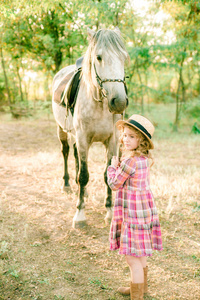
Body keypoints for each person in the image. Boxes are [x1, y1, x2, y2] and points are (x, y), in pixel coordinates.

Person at [107, 114, 163, 300]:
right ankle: (141, 288)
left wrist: (112, 167)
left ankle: (137, 295)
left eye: (132, 136)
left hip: (132, 213)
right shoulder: (143, 159)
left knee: (132, 257)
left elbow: (115, 184)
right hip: (143, 212)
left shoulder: (129, 162)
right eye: (124, 135)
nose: (125, 139)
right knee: (140, 253)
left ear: (141, 141)